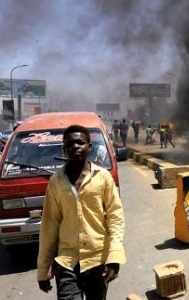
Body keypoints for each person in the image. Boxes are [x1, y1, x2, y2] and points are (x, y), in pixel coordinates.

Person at [37, 124, 125, 300]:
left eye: (80, 142)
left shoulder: (103, 177)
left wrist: (114, 255)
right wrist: (43, 268)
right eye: (70, 144)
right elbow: (49, 226)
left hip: (97, 259)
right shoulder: (56, 182)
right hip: (67, 261)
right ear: (64, 149)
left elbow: (115, 216)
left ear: (89, 147)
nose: (75, 146)